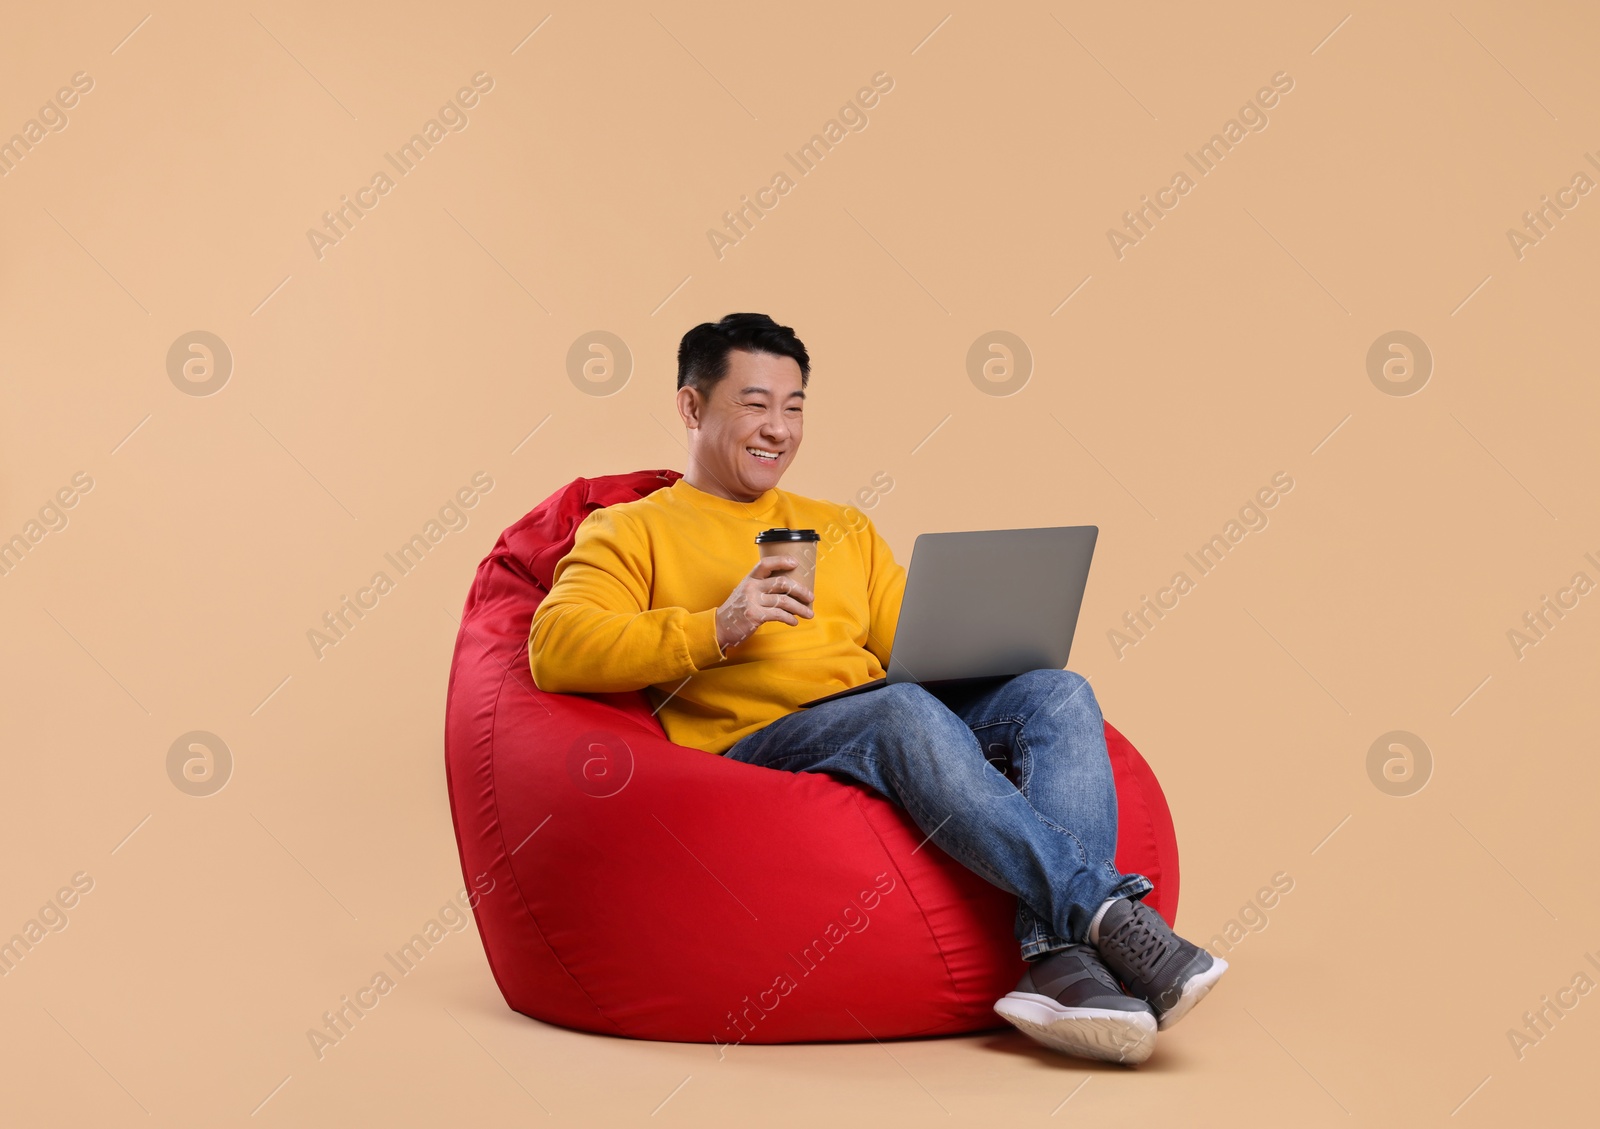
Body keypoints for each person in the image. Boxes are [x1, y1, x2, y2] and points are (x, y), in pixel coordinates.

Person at [528, 312, 1225, 1064]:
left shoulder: (842, 527)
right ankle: (1107, 911)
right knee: (896, 711)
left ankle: (1060, 963)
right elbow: (554, 647)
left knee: (1057, 692)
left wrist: (994, 642)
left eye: (794, 407)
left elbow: (910, 650)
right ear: (692, 407)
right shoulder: (632, 530)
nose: (779, 429)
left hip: (885, 715)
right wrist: (717, 625)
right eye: (755, 404)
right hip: (760, 743)